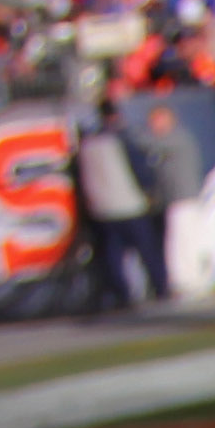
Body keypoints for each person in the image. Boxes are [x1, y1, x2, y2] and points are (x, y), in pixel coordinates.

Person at [71, 89, 171, 311]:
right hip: (129, 204)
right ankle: (161, 289)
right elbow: (138, 168)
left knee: (113, 256)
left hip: (102, 208)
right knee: (148, 251)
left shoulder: (86, 144)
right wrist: (149, 191)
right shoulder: (121, 138)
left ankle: (122, 295)